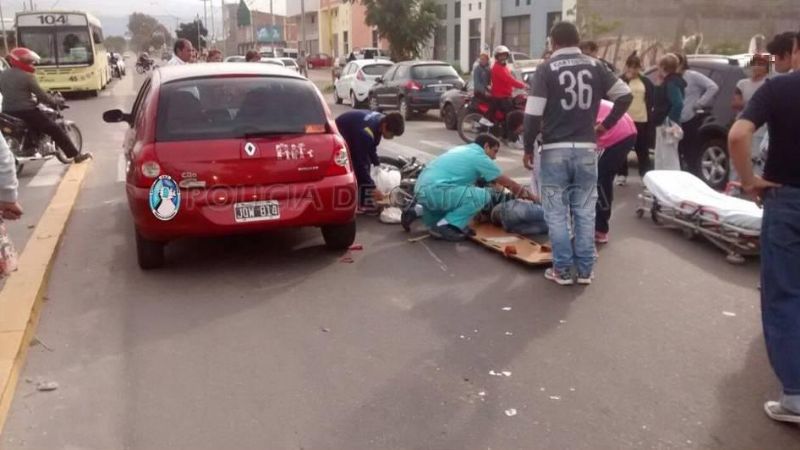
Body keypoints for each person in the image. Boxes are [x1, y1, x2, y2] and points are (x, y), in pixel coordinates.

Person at [523, 21, 632, 286]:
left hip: (554, 150)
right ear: (577, 40)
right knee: (584, 211)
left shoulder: (546, 69)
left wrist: (528, 147)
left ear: (554, 42)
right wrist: (605, 125)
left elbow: (533, 114)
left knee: (557, 212)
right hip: (586, 150)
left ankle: (561, 270)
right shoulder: (596, 66)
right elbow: (625, 94)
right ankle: (585, 270)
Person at [727, 30, 800, 425]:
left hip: (787, 200)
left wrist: (750, 179)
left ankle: (795, 397)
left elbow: (738, 133)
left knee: (786, 295)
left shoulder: (779, 89)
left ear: (794, 51)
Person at [411, 134, 535, 241]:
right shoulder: (480, 157)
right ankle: (446, 226)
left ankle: (417, 212)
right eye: (495, 151)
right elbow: (509, 184)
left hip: (421, 190)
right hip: (437, 192)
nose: (495, 157)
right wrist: (535, 199)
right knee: (482, 196)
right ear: (486, 146)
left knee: (439, 218)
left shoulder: (463, 150)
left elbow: (486, 181)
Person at [0, 48, 91, 163]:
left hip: (7, 111)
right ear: (18, 61)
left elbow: (4, 92)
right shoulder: (27, 77)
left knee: (34, 126)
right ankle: (76, 156)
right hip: (27, 111)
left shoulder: (3, 75)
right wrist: (54, 102)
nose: (30, 63)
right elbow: (42, 95)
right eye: (27, 61)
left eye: (30, 60)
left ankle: (31, 146)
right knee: (55, 129)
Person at [335, 111, 405, 214]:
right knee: (356, 167)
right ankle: (359, 203)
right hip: (340, 134)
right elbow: (360, 164)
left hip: (355, 130)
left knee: (366, 166)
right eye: (392, 134)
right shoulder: (366, 133)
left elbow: (371, 147)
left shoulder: (381, 121)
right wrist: (373, 188)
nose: (392, 137)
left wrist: (377, 164)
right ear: (385, 126)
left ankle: (365, 197)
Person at [594, 100, 637, 243]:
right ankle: (598, 224)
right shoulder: (583, 98)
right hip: (624, 130)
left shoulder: (574, 107)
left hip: (619, 134)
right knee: (600, 177)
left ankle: (600, 229)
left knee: (602, 180)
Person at [676, 53, 719, 174]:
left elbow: (712, 86)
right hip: (675, 120)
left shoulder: (692, 76)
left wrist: (700, 103)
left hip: (690, 118)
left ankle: (693, 175)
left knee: (690, 151)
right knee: (676, 152)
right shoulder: (672, 78)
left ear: (682, 64)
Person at [616, 52, 655, 186]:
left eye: (636, 67)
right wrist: (626, 79)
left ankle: (645, 175)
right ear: (626, 67)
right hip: (624, 118)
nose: (633, 70)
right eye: (630, 66)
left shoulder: (645, 81)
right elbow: (616, 94)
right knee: (623, 147)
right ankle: (622, 173)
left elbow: (651, 98)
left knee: (641, 148)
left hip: (641, 118)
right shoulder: (621, 80)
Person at [482, 46, 527, 128]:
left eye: (504, 55)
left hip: (506, 94)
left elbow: (511, 78)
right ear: (497, 57)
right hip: (501, 96)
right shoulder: (497, 68)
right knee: (510, 115)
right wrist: (523, 85)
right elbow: (509, 79)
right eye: (500, 55)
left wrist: (521, 84)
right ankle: (507, 132)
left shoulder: (504, 66)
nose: (503, 57)